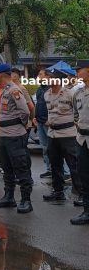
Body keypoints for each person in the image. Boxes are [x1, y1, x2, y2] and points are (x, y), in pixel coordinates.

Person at [0, 64, 34, 214]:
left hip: (15, 135)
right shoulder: (4, 90)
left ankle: (26, 200)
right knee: (7, 168)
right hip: (5, 135)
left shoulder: (14, 90)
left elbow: (25, 111)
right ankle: (9, 197)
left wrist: (20, 126)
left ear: (1, 75)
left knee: (21, 168)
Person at [43, 69, 82, 203]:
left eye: (50, 77)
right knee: (55, 164)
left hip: (68, 134)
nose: (47, 80)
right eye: (47, 77)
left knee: (74, 165)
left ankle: (81, 194)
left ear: (58, 80)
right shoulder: (46, 94)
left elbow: (78, 112)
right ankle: (58, 191)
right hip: (52, 134)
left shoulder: (70, 94)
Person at [70, 65, 89, 225]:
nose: (76, 73)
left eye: (79, 70)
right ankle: (87, 211)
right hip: (82, 139)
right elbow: (75, 114)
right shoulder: (78, 93)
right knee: (84, 175)